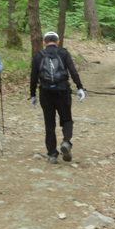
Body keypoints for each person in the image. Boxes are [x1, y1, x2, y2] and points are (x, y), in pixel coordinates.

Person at [29, 31, 85, 165]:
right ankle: (66, 141)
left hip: (45, 92)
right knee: (66, 119)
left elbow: (33, 77)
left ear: (44, 43)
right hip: (62, 91)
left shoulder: (38, 56)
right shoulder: (64, 53)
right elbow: (72, 70)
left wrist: (32, 94)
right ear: (57, 42)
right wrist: (79, 87)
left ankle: (52, 154)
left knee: (49, 123)